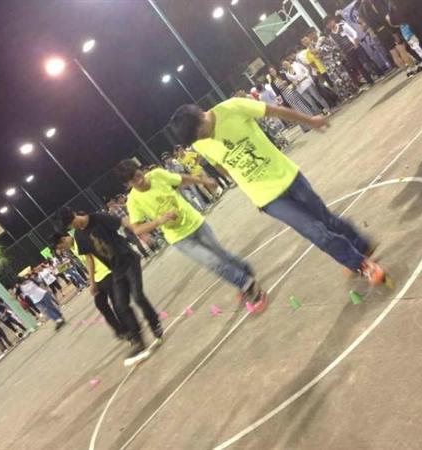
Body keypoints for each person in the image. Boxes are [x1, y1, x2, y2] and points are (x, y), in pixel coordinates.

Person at [169, 98, 388, 286]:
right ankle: (360, 264)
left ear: (201, 117)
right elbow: (221, 166)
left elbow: (275, 111)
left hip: (288, 177)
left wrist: (309, 120)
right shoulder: (200, 144)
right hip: (267, 198)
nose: (200, 140)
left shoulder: (233, 107)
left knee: (327, 220)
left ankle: (361, 245)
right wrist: (249, 190)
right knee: (315, 232)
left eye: (200, 134)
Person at [115, 159, 268, 311]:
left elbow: (182, 179)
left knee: (220, 253)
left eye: (138, 175)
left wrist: (204, 181)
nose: (139, 180)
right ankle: (247, 283)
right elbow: (137, 229)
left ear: (141, 169)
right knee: (211, 261)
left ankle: (245, 269)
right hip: (179, 237)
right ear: (128, 185)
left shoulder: (157, 175)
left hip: (196, 223)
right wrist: (159, 221)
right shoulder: (133, 202)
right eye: (133, 181)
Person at [55, 207, 161, 366]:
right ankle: (138, 340)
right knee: (121, 306)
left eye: (72, 224)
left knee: (138, 296)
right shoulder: (79, 236)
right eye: (70, 227)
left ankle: (155, 323)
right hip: (116, 270)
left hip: (129, 261)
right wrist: (92, 282)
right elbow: (89, 259)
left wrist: (142, 234)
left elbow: (123, 221)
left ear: (75, 216)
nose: (73, 227)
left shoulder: (98, 218)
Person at [51, 232, 128, 339]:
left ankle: (128, 329)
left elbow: (90, 261)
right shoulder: (72, 247)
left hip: (106, 273)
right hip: (97, 277)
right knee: (101, 304)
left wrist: (91, 282)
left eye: (62, 247)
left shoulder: (80, 241)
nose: (63, 250)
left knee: (117, 304)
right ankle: (120, 329)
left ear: (63, 239)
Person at [358, 0, 418, 76]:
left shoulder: (360, 10)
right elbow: (384, 16)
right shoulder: (373, 2)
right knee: (401, 49)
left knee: (394, 53)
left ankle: (407, 71)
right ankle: (414, 67)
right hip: (387, 29)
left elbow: (363, 25)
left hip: (379, 33)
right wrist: (393, 30)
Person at [325, 15, 382, 86]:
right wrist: (344, 54)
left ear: (333, 20)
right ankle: (370, 81)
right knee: (359, 67)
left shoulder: (343, 25)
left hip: (355, 46)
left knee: (367, 61)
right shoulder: (331, 36)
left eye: (330, 22)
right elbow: (337, 45)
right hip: (348, 52)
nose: (330, 24)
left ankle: (380, 74)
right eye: (328, 24)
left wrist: (356, 44)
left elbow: (354, 33)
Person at [302, 30, 359, 101]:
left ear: (314, 33)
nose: (311, 37)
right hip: (327, 65)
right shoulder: (312, 45)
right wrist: (316, 53)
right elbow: (316, 55)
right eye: (309, 36)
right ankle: (347, 95)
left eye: (311, 34)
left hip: (334, 60)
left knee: (344, 76)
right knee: (336, 80)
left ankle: (354, 91)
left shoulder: (322, 39)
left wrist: (318, 51)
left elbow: (329, 48)